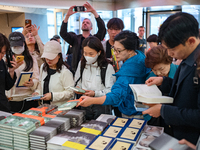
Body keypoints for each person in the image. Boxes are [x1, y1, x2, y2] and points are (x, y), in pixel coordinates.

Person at [143, 12, 200, 145]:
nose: (169, 54)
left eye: (172, 49)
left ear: (191, 41)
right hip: (177, 132)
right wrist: (163, 81)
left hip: (191, 138)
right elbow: (184, 89)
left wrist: (163, 111)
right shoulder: (187, 57)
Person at [77, 31, 151, 117]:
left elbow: (116, 96)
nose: (115, 54)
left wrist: (92, 100)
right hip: (139, 107)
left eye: (118, 51)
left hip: (133, 111)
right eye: (114, 49)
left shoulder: (130, 69)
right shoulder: (139, 55)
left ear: (130, 50)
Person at [74, 36, 116, 120]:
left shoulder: (107, 67)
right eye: (85, 53)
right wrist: (77, 89)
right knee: (84, 130)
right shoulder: (81, 63)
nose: (87, 56)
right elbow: (77, 82)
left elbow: (110, 91)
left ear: (99, 52)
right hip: (84, 103)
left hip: (101, 105)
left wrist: (94, 93)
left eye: (91, 54)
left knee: (102, 129)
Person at [60, 2, 106, 74]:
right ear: (81, 26)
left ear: (91, 28)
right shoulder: (75, 39)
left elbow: (102, 30)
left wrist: (94, 12)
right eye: (83, 22)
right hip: (76, 69)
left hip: (92, 69)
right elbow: (63, 33)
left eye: (87, 23)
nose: (85, 23)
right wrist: (67, 16)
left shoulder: (95, 39)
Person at [33, 40, 74, 106]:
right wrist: (37, 93)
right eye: (46, 57)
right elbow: (41, 84)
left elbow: (70, 92)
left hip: (60, 108)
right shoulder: (43, 67)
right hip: (45, 107)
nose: (48, 60)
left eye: (51, 57)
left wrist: (53, 96)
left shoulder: (65, 72)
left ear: (59, 56)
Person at [7, 32, 39, 113]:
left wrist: (32, 83)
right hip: (12, 99)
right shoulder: (5, 60)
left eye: (19, 45)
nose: (17, 48)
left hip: (28, 98)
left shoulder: (31, 59)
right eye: (14, 46)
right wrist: (11, 71)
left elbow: (37, 78)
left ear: (24, 44)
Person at [101, 17, 124, 117]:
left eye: (116, 29)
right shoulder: (102, 46)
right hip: (106, 81)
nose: (113, 32)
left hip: (120, 80)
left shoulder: (125, 46)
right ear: (107, 30)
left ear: (121, 31)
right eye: (111, 29)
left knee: (119, 108)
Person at [0, 33, 21, 112]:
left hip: (3, 108)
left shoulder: (1, 62)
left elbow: (7, 86)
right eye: (0, 52)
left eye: (3, 53)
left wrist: (11, 71)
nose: (1, 56)